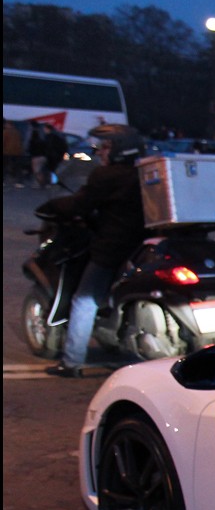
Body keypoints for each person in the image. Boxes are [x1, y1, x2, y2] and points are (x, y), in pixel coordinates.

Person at [39, 124, 148, 377]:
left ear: (120, 149)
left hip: (113, 247)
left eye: (105, 147)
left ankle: (71, 362)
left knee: (84, 300)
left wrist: (51, 206)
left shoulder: (106, 176)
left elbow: (81, 204)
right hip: (142, 247)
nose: (99, 152)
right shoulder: (144, 174)